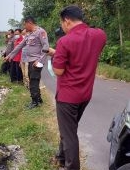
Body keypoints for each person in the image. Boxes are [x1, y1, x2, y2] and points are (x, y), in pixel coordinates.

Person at [48, 5, 107, 170]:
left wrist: (55, 55)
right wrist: (58, 53)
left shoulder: (64, 41)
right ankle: (61, 157)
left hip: (67, 97)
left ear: (66, 21)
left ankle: (71, 166)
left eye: (61, 24)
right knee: (68, 130)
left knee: (69, 135)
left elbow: (58, 71)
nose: (62, 27)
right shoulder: (99, 35)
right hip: (85, 95)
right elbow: (86, 54)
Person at [5, 16, 49, 109]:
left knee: (33, 80)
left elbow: (46, 47)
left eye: (25, 24)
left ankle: (34, 102)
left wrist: (39, 61)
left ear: (29, 23)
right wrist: (10, 56)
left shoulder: (40, 32)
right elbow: (19, 46)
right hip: (30, 61)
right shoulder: (29, 34)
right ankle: (38, 99)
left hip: (37, 60)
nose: (24, 27)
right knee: (33, 79)